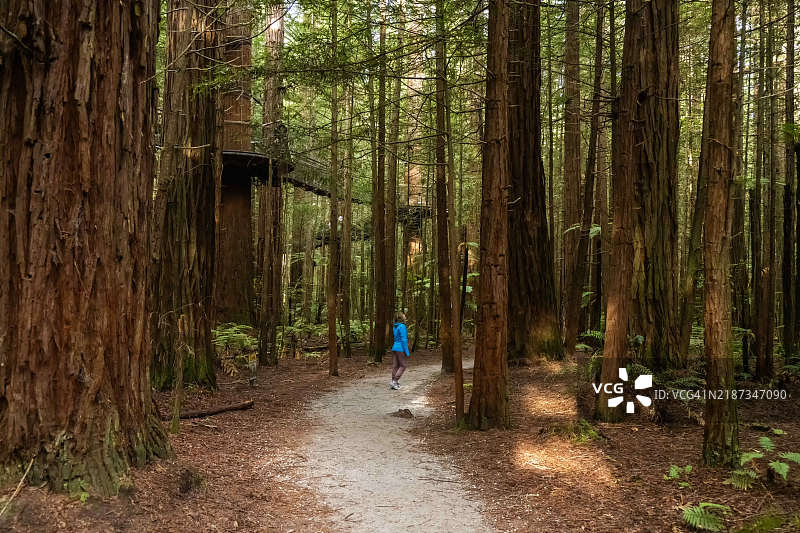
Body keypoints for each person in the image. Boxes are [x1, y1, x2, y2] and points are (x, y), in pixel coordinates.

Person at [390, 312, 410, 390]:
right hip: (400, 348)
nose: (405, 317)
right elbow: (404, 340)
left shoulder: (395, 326)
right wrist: (407, 351)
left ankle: (393, 382)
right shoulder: (402, 326)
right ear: (401, 318)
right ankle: (395, 381)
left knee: (395, 366)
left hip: (395, 347)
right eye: (404, 316)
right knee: (403, 365)